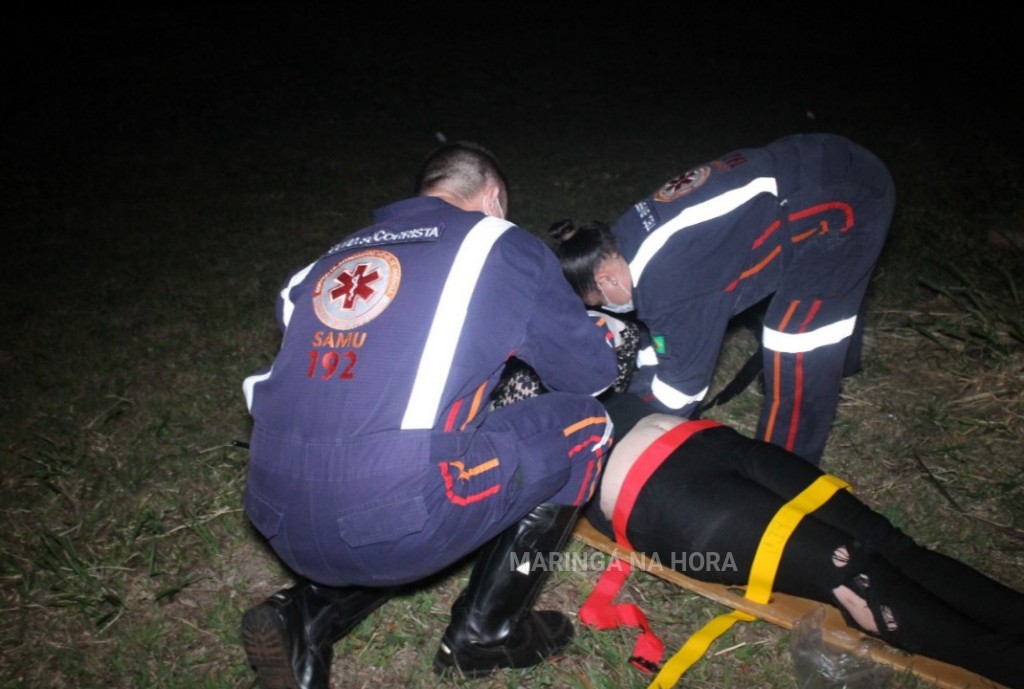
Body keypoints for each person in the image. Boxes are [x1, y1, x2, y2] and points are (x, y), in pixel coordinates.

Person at [238, 141, 619, 688]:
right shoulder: (497, 242)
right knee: (586, 426)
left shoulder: (327, 261)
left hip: (277, 508)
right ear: (492, 197)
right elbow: (589, 377)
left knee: (395, 451)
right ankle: (489, 633)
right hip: (395, 514)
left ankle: (308, 614)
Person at [583, 390, 1024, 689]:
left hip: (712, 443)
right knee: (853, 575)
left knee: (893, 546)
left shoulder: (547, 320)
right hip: (667, 500)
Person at [552, 133, 896, 464]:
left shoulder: (671, 284)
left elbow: (681, 390)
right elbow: (655, 330)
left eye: (599, 301)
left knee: (796, 343)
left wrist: (627, 423)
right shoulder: (618, 241)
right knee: (812, 307)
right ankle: (845, 362)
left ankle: (788, 468)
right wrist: (639, 385)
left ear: (605, 278)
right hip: (812, 159)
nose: (607, 308)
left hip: (843, 200)